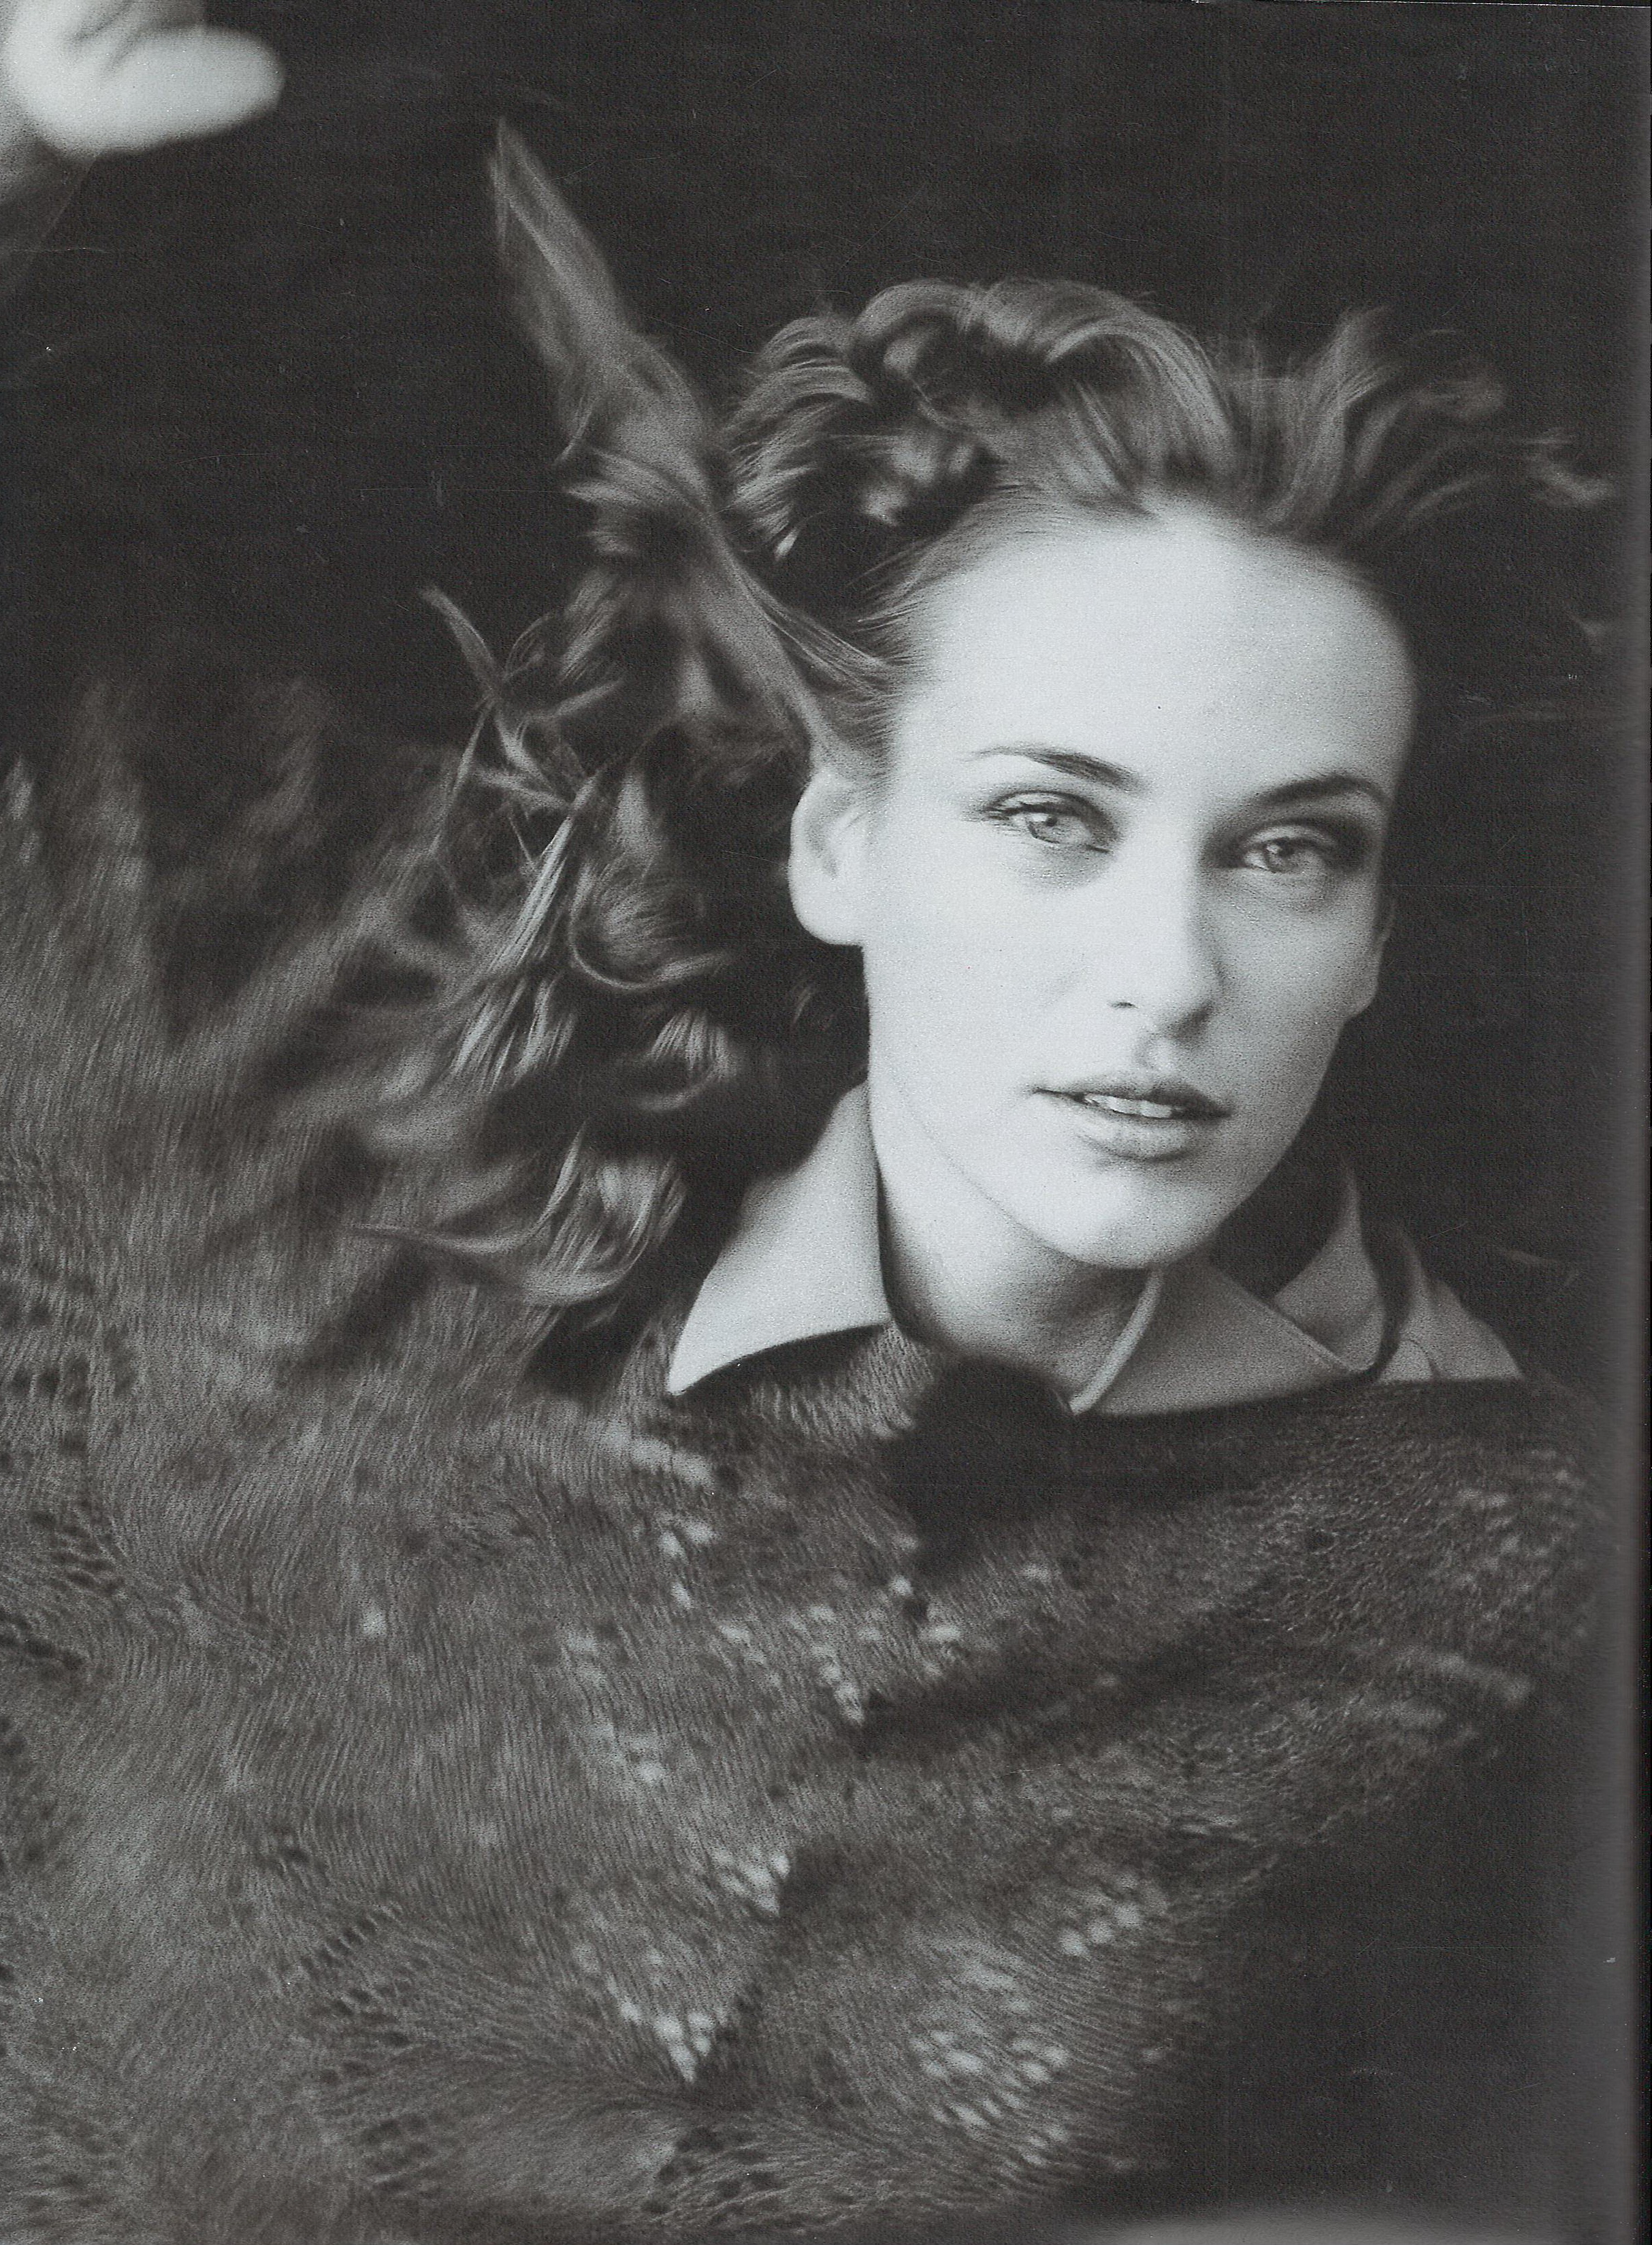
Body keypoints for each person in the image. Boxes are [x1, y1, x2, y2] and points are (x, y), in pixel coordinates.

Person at [0, 7, 1607, 2244]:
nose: (1164, 973)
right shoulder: (323, 1175)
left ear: (1374, 935)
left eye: (1284, 849)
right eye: (1049, 815)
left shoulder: (1504, 1569)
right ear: (839, 842)